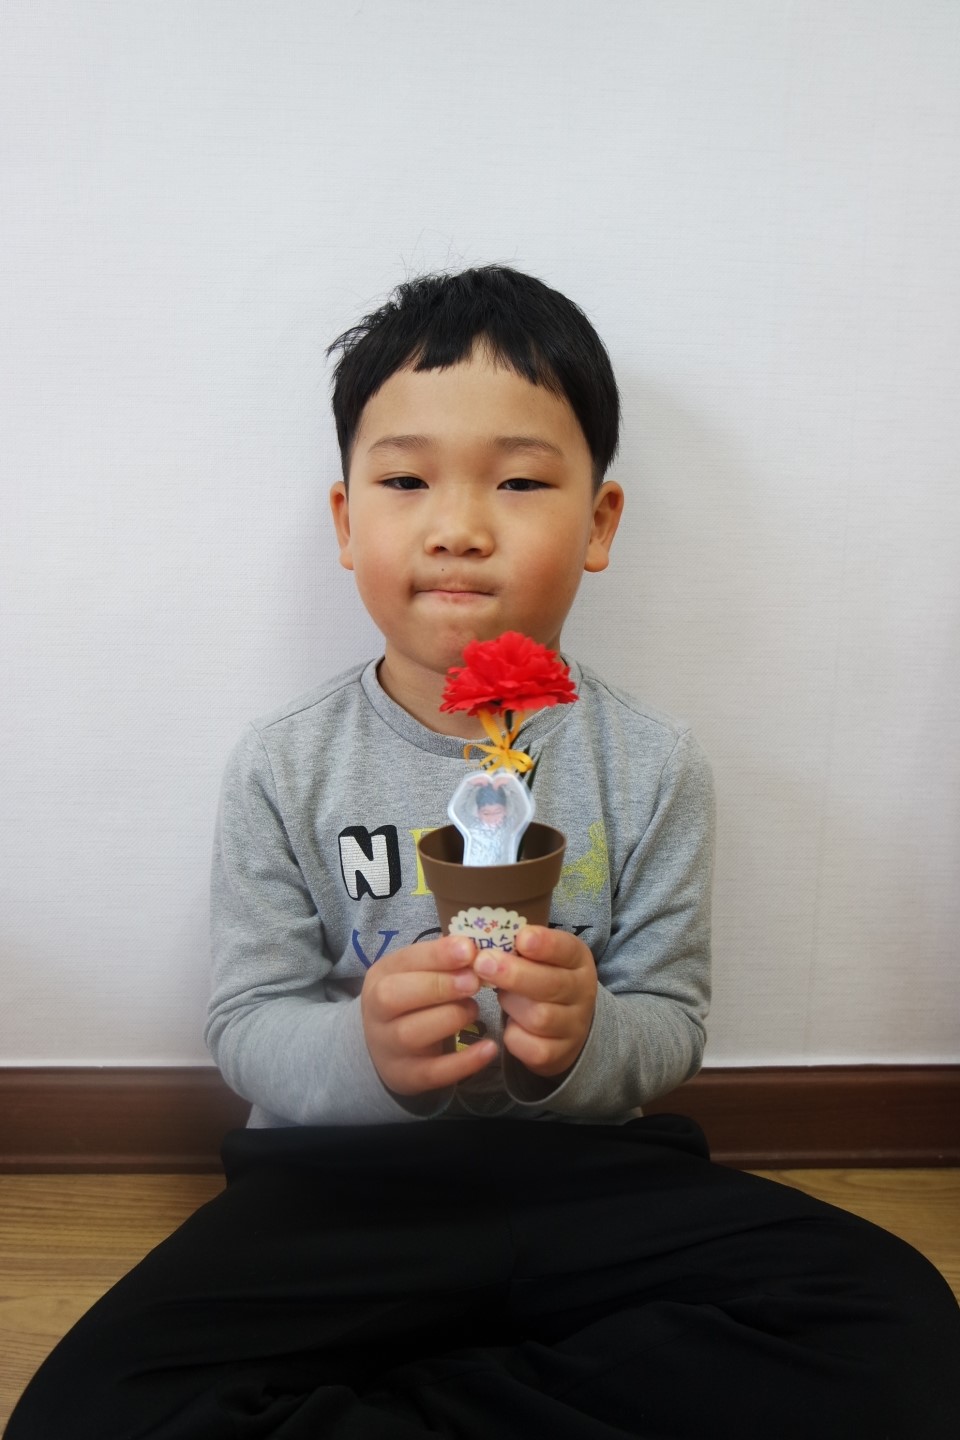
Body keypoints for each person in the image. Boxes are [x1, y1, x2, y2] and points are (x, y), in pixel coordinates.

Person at [6, 266, 959, 1439]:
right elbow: (249, 1023)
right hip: (339, 1192)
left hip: (591, 1180)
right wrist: (365, 1050)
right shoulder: (284, 764)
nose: (458, 526)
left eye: (518, 481)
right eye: (406, 480)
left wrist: (584, 1040)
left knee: (899, 1325)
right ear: (347, 521)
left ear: (598, 522)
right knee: (82, 1418)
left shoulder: (654, 764)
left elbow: (671, 1021)